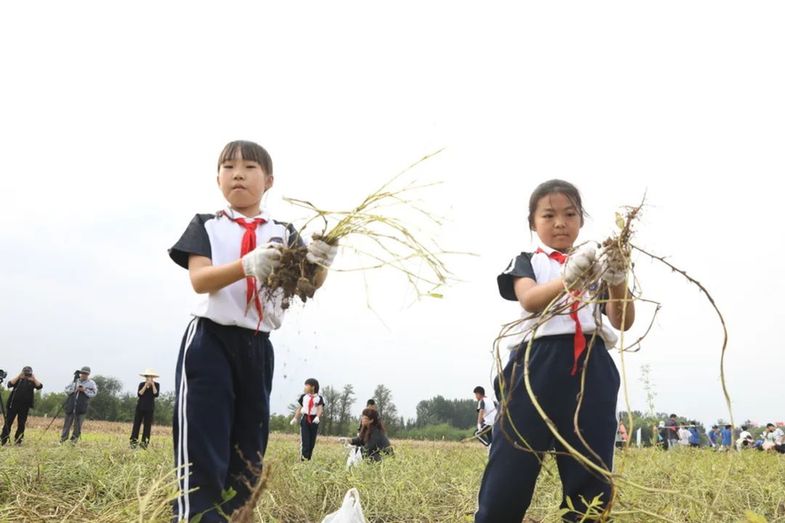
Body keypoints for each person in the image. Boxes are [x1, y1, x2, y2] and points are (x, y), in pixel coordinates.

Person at [168, 140, 337, 522]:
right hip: (210, 341)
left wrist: (322, 263)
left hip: (258, 347)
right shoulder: (207, 225)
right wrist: (246, 264)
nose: (238, 174)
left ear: (269, 180)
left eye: (248, 167)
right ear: (217, 179)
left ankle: (236, 515)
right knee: (204, 439)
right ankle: (197, 516)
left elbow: (306, 286)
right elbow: (200, 280)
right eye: (228, 167)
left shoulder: (283, 231)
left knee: (249, 446)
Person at [475, 180, 635, 523]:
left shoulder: (598, 264)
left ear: (581, 220)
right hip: (534, 365)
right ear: (533, 223)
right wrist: (569, 279)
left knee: (590, 469)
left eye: (569, 214)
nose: (559, 222)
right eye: (548, 215)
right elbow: (529, 300)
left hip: (591, 368)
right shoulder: (527, 262)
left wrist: (619, 276)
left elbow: (622, 320)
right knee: (512, 461)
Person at [1, 366, 43, 446]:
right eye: (25, 372)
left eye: (28, 373)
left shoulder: (32, 381)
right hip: (13, 404)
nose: (27, 375)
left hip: (25, 406)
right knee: (8, 422)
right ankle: (3, 440)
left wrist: (33, 378)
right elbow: (9, 384)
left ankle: (18, 441)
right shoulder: (18, 379)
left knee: (21, 424)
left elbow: (39, 386)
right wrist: (19, 376)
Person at [60, 366, 97, 443]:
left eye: (86, 373)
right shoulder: (75, 381)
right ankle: (63, 440)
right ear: (80, 373)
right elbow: (66, 389)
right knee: (67, 425)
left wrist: (84, 390)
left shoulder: (91, 383)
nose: (84, 375)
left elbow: (94, 393)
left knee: (78, 426)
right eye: (83, 373)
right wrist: (75, 389)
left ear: (88, 374)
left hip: (82, 407)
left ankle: (73, 442)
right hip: (71, 406)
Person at [290, 378, 324, 461]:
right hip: (305, 419)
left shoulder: (319, 398)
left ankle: (308, 459)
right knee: (305, 441)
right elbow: (299, 408)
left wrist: (317, 417)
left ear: (313, 387)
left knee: (312, 443)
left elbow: (320, 409)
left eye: (306, 386)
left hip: (314, 420)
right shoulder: (303, 397)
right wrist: (295, 418)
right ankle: (303, 460)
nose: (305, 387)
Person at [130, 369, 160, 449]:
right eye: (147, 376)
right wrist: (145, 386)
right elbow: (139, 394)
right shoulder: (141, 384)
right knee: (136, 425)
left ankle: (144, 444)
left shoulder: (157, 385)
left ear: (153, 377)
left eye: (150, 376)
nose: (149, 378)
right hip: (140, 407)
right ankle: (133, 442)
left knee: (147, 427)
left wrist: (152, 385)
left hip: (149, 408)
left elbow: (156, 394)